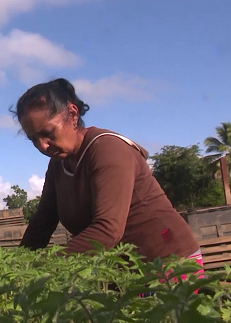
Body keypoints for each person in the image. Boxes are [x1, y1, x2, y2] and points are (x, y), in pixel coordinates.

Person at [15, 78, 204, 271]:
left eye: (48, 133)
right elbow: (42, 223)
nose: (43, 146)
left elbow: (107, 230)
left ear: (72, 114)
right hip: (122, 273)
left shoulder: (107, 150)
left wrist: (45, 266)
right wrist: (14, 269)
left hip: (168, 265)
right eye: (33, 139)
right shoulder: (58, 165)